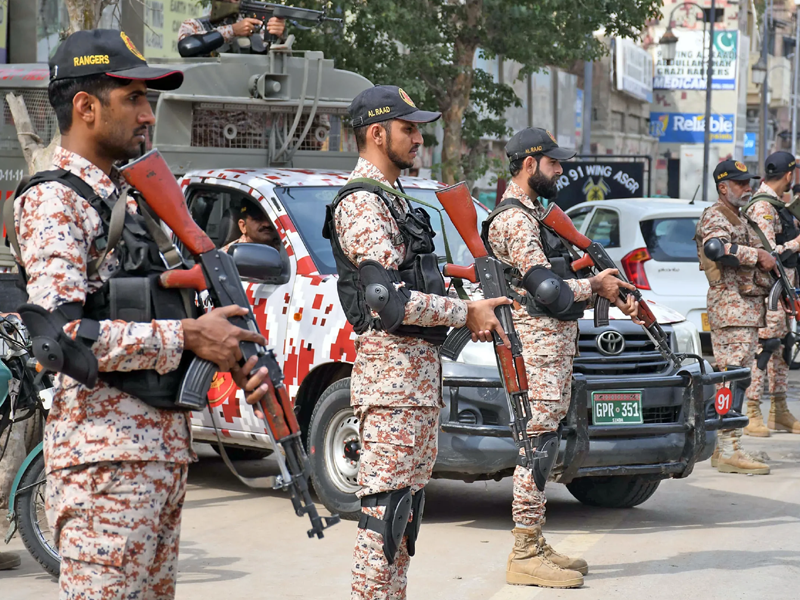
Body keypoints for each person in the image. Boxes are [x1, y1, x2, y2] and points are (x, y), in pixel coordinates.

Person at [11, 29, 272, 598]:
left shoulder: (123, 200)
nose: (148, 114)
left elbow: (147, 305)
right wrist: (188, 336)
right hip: (103, 467)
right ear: (85, 106)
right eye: (133, 98)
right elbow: (61, 338)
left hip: (154, 459)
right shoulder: (56, 198)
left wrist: (226, 348)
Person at [323, 85, 512, 600]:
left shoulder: (392, 197)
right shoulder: (363, 203)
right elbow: (387, 301)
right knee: (381, 522)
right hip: (390, 384)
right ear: (376, 133)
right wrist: (462, 311)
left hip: (414, 384)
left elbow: (414, 282)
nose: (419, 138)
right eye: (408, 128)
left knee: (403, 522)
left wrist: (471, 291)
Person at [483, 127, 639, 588]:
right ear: (529, 165)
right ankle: (524, 551)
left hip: (552, 346)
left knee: (545, 442)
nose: (561, 169)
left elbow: (559, 278)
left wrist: (606, 286)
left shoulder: (540, 215)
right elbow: (546, 291)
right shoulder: (515, 219)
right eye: (553, 163)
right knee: (536, 446)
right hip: (534, 346)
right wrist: (597, 287)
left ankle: (534, 539)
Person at [696, 160, 775, 475]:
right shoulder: (716, 216)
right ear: (723, 187)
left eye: (749, 183)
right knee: (731, 379)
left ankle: (726, 447)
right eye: (741, 184)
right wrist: (757, 255)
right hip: (731, 308)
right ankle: (729, 449)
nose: (748, 188)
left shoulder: (739, 217)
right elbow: (716, 248)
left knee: (736, 377)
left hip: (744, 308)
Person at [742, 151, 800, 436]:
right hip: (768, 293)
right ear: (789, 175)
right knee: (764, 348)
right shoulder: (763, 208)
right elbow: (765, 254)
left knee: (782, 346)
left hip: (783, 292)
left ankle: (779, 410)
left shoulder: (778, 206)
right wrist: (796, 244)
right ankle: (752, 411)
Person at [178, 1, 286, 49]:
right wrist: (232, 31)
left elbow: (279, 63)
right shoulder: (193, 25)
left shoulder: (257, 26)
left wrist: (279, 37)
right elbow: (186, 47)